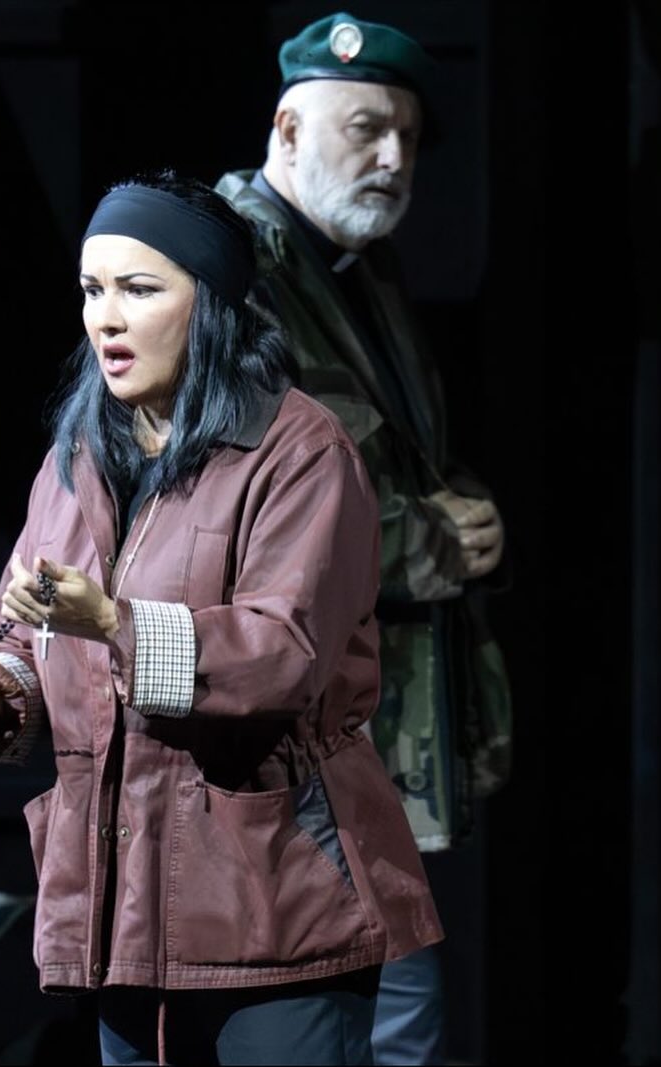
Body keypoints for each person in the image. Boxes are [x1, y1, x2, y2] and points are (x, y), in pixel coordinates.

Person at [0, 172, 443, 1067]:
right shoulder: (76, 457)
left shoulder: (298, 452)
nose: (105, 318)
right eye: (91, 290)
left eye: (139, 290)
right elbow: (33, 638)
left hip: (274, 903)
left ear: (211, 302)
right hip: (125, 910)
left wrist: (113, 619)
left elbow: (281, 656)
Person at [216, 12, 510, 1066]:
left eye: (407, 137)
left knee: (387, 1006)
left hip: (368, 727)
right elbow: (248, 506)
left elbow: (386, 455)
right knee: (378, 1012)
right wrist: (434, 541)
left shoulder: (353, 267)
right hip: (286, 723)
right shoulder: (228, 267)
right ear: (288, 130)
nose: (392, 157)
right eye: (365, 129)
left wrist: (458, 509)